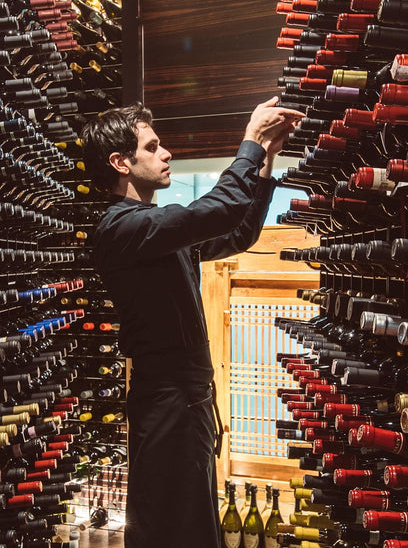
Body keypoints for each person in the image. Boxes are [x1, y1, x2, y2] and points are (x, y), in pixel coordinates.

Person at [80, 98, 303, 548]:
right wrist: (250, 143)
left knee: (191, 525)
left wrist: (267, 159)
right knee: (171, 528)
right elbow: (217, 210)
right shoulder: (121, 229)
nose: (167, 155)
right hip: (167, 401)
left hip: (188, 402)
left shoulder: (154, 230)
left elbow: (236, 231)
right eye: (153, 146)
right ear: (121, 162)